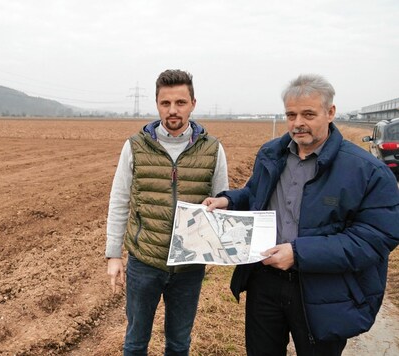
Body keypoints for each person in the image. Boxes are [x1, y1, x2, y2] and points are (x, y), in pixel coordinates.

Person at [203, 74, 399, 355]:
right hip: (265, 281)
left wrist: (299, 253)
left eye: (308, 114)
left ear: (330, 113)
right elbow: (255, 193)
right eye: (291, 114)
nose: (298, 123)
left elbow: (375, 238)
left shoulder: (366, 171)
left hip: (325, 289)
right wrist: (228, 201)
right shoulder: (272, 153)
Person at [106, 69, 229, 355]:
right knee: (135, 342)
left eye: (180, 103)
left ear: (193, 104)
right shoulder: (136, 147)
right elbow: (119, 200)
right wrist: (114, 255)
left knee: (178, 343)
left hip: (189, 266)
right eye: (165, 103)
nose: (173, 110)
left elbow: (223, 201)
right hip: (145, 261)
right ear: (157, 103)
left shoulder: (212, 149)